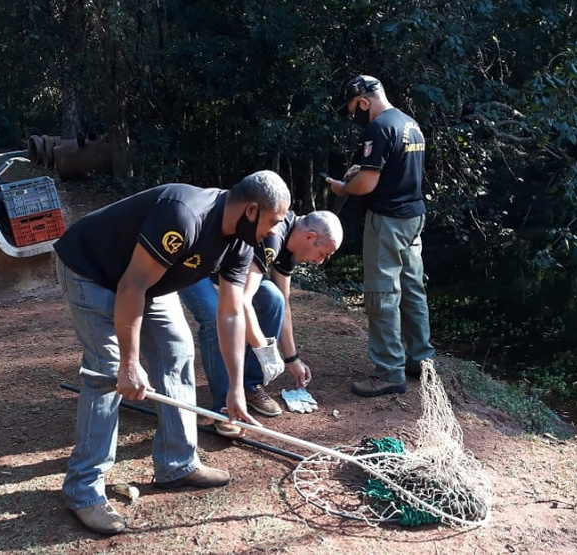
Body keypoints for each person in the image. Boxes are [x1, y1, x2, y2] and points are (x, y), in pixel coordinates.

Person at [54, 170, 291, 535]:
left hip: (150, 280)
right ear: (251, 210)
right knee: (108, 370)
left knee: (178, 351)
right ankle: (83, 491)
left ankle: (177, 463)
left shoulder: (242, 243)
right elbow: (131, 286)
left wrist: (235, 388)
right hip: (93, 270)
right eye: (273, 221)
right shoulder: (184, 215)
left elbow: (228, 313)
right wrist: (131, 364)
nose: (275, 232)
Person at [179, 211, 343, 435]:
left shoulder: (290, 247)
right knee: (214, 315)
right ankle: (225, 407)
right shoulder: (273, 236)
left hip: (226, 268)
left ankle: (248, 385)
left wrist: (292, 359)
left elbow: (282, 303)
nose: (320, 261)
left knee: (273, 298)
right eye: (322, 253)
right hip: (193, 262)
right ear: (310, 237)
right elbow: (242, 302)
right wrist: (264, 349)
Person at [326, 74, 436, 397]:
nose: (354, 116)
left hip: (387, 220)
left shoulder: (379, 127)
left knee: (382, 293)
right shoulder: (409, 123)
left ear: (363, 101)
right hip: (414, 217)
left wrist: (344, 186)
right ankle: (421, 360)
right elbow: (394, 170)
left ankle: (389, 371)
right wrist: (359, 173)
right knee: (413, 289)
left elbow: (367, 185)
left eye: (353, 109)